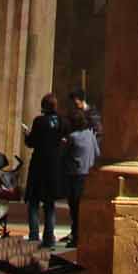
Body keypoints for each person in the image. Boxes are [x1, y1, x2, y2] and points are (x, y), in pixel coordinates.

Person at [23, 93, 65, 248]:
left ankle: (34, 235)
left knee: (34, 201)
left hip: (39, 165)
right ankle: (49, 237)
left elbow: (32, 142)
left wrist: (27, 135)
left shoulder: (39, 121)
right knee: (50, 204)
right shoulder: (61, 121)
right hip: (54, 167)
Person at [62, 112, 101, 244]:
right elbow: (97, 153)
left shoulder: (72, 137)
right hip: (88, 174)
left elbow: (64, 154)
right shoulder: (91, 135)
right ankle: (79, 233)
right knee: (83, 207)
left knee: (74, 207)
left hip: (75, 175)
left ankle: (76, 235)